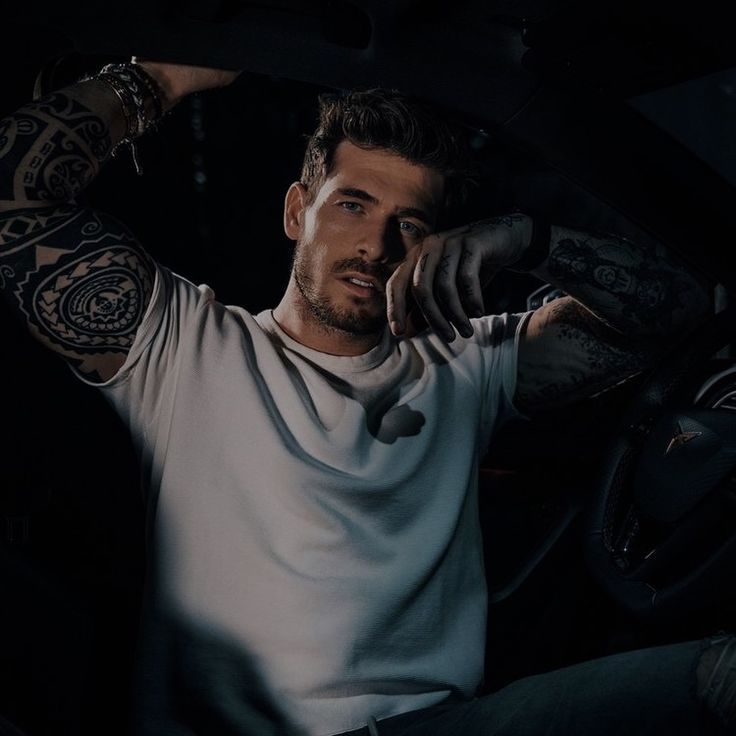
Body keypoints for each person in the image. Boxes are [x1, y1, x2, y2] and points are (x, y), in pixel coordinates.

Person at [0, 58, 733, 736]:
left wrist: (525, 239)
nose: (377, 245)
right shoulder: (181, 342)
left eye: (409, 224)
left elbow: (675, 310)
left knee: (721, 676)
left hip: (433, 726)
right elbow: (14, 196)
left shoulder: (466, 362)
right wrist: (162, 75)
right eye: (352, 205)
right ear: (297, 211)